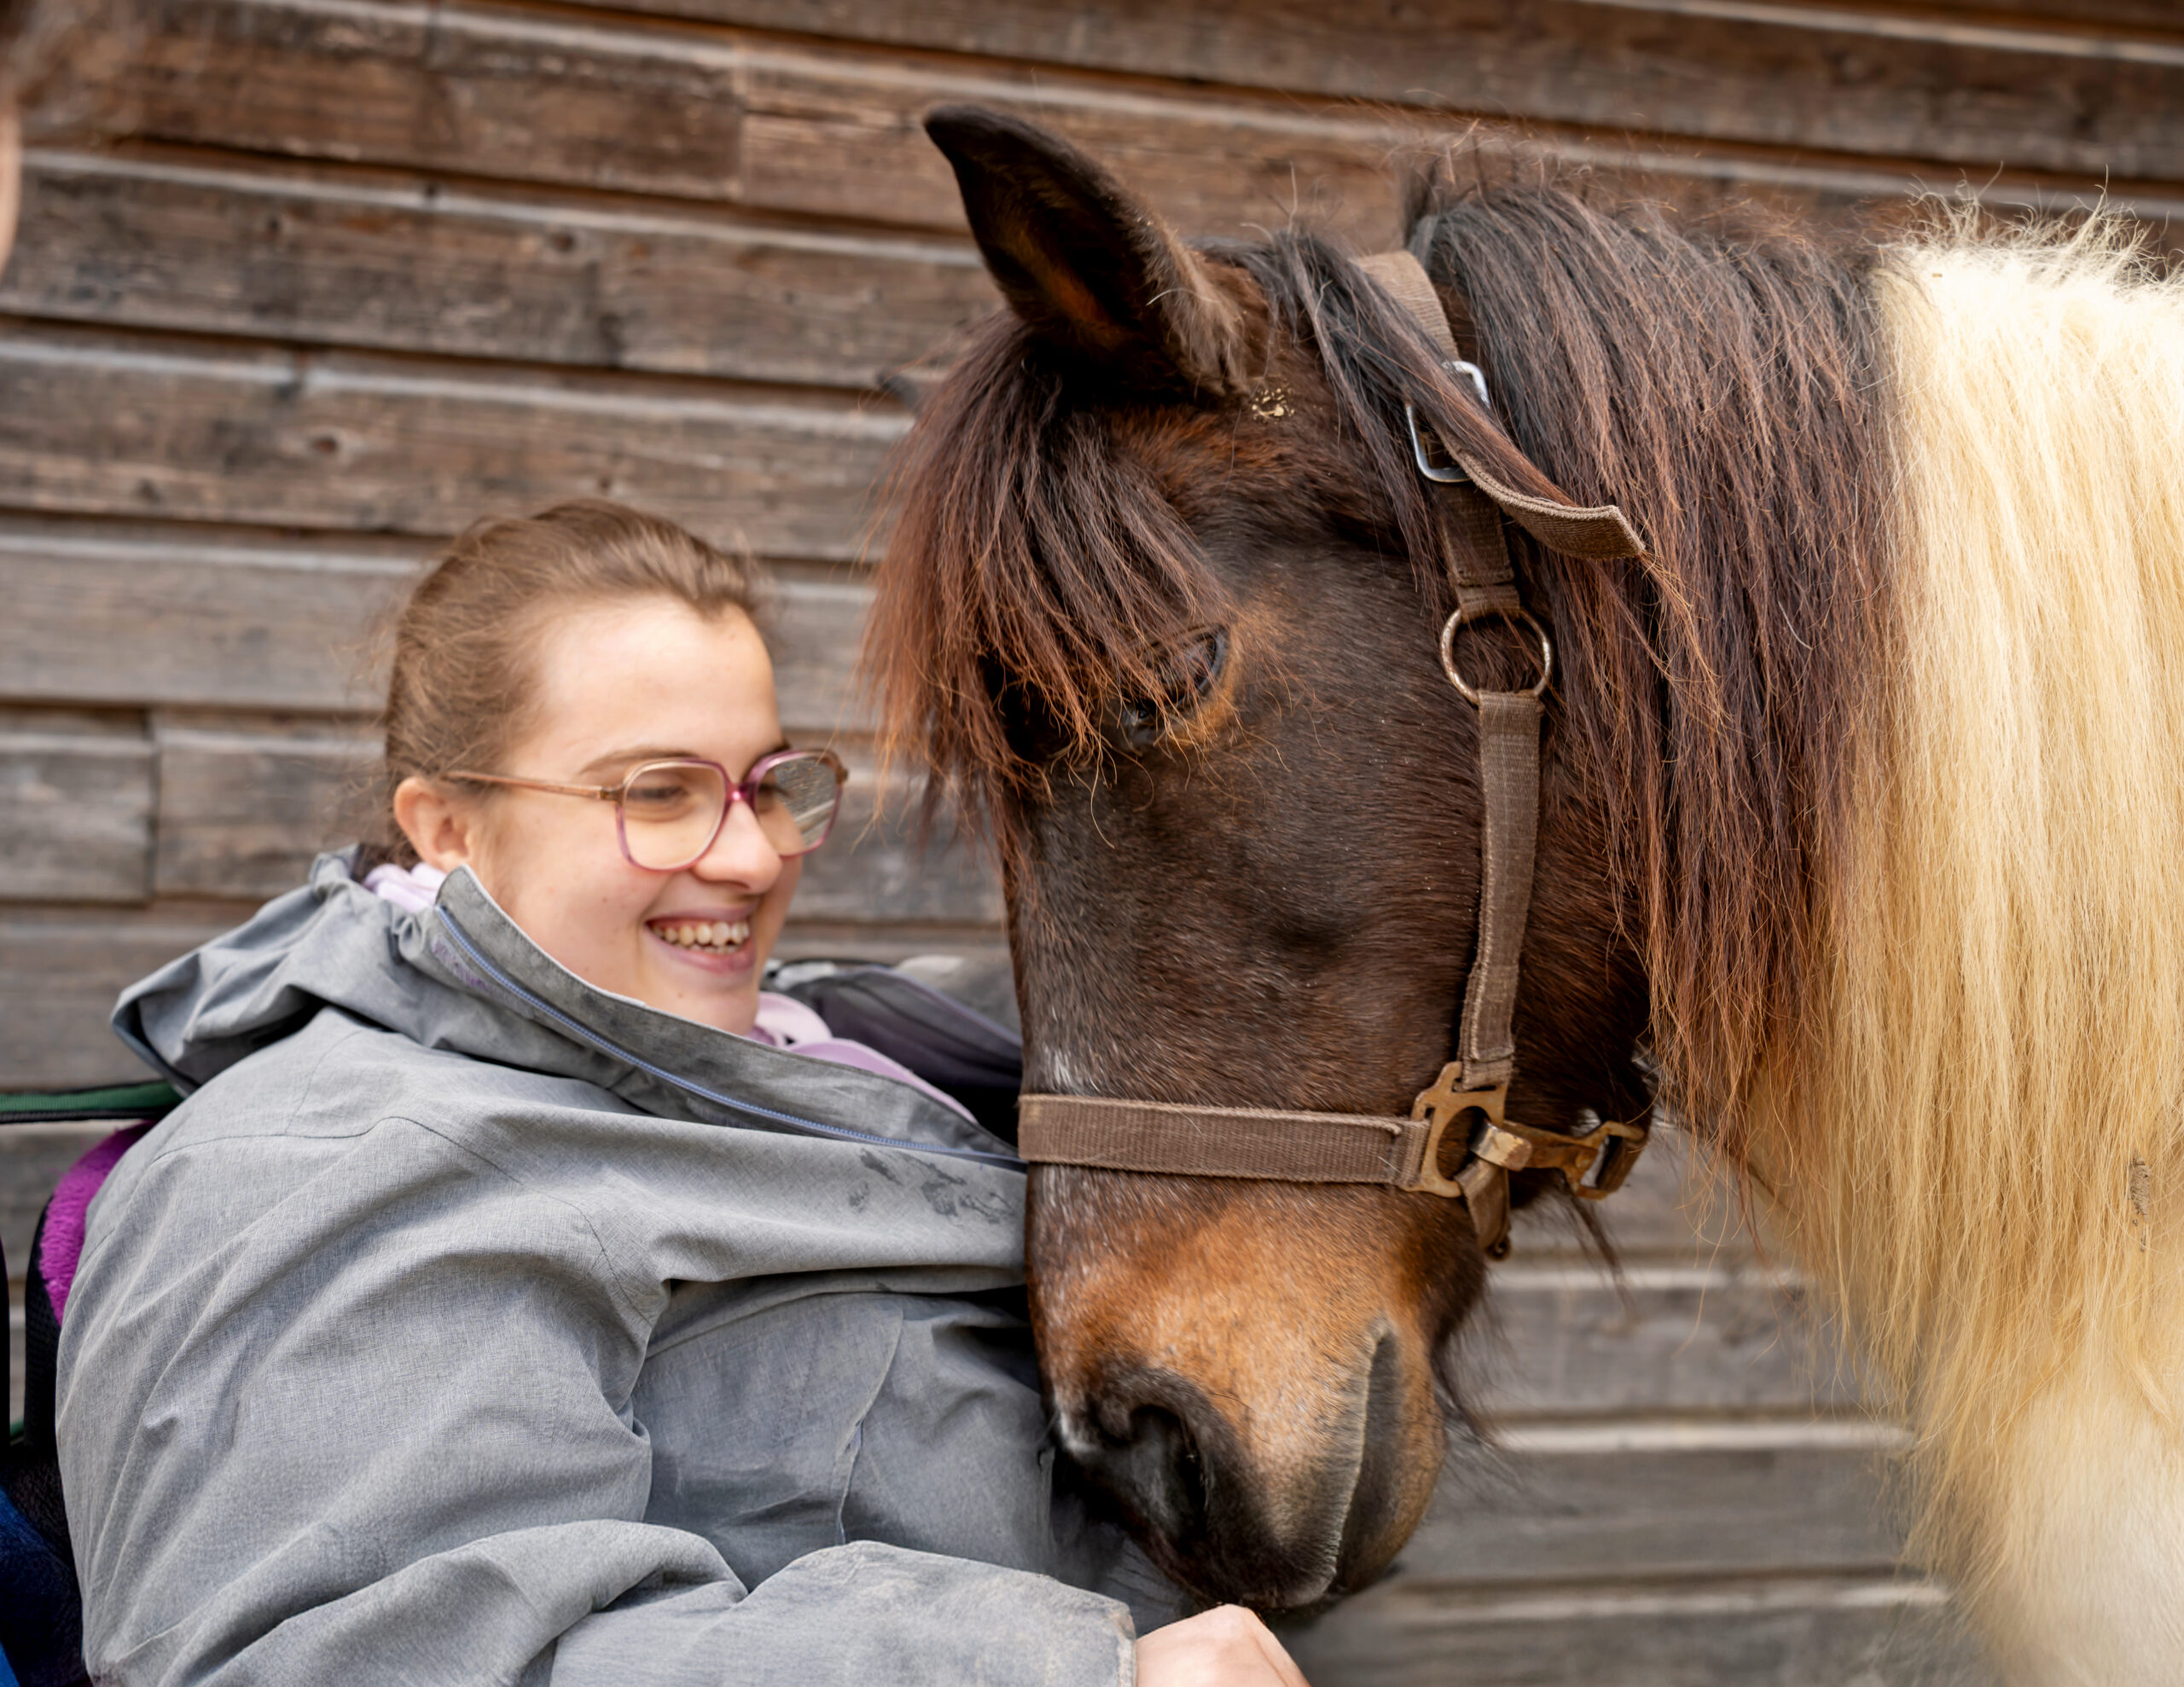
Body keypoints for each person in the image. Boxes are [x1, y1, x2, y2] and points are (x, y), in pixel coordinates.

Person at [44, 498, 1313, 1685]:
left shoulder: (815, 1039)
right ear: (443, 828)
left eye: (768, 784)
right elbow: (336, 1653)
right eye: (659, 792)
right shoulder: (335, 1163)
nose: (753, 853)